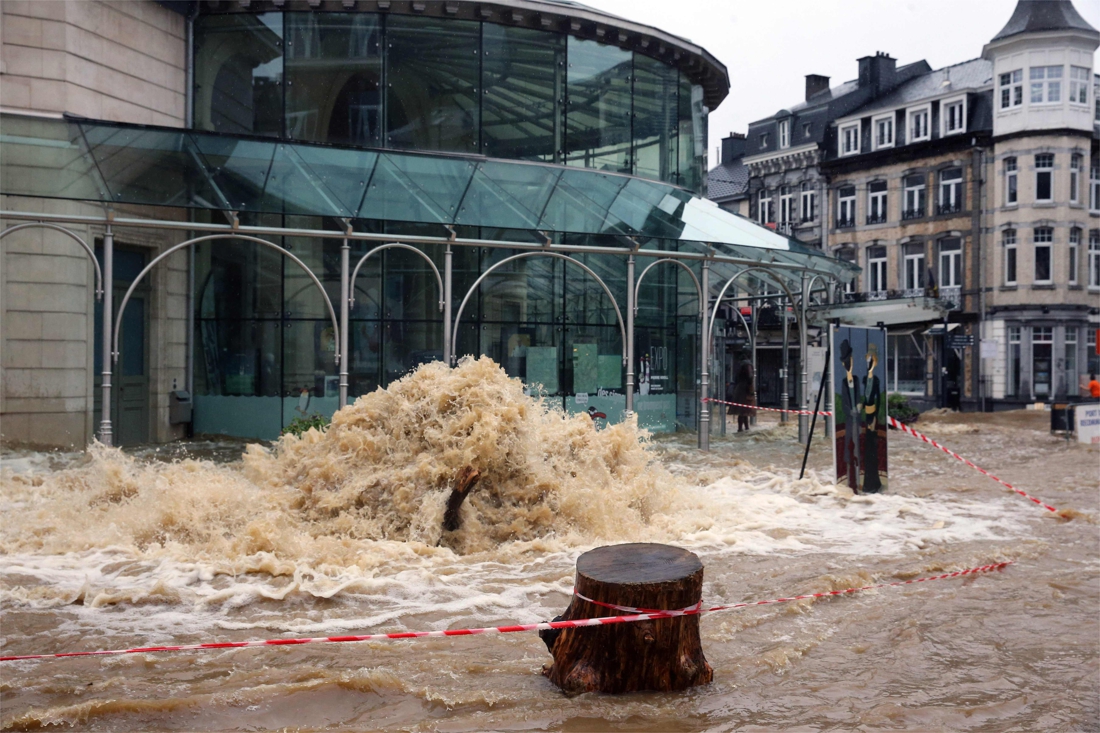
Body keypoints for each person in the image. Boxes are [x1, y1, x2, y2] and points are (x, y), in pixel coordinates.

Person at [839, 339, 862, 491]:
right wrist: (850, 411)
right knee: (849, 448)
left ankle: (859, 481)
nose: (850, 363)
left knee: (858, 448)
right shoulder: (843, 382)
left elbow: (859, 397)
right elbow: (843, 404)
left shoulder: (857, 380)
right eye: (848, 360)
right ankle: (849, 481)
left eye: (851, 360)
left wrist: (859, 407)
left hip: (857, 420)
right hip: (849, 420)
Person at [861, 342, 883, 493]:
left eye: (872, 359)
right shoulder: (865, 379)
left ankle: (873, 482)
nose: (869, 362)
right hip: (866, 415)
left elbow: (878, 400)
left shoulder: (876, 380)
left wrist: (874, 418)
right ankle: (867, 482)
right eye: (868, 359)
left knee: (872, 448)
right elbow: (864, 398)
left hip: (873, 415)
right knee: (866, 449)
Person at [727, 359, 756, 432]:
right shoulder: (747, 364)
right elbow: (750, 377)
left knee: (743, 411)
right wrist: (750, 386)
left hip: (740, 388)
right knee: (743, 410)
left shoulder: (740, 364)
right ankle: (741, 428)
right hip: (745, 389)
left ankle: (745, 428)